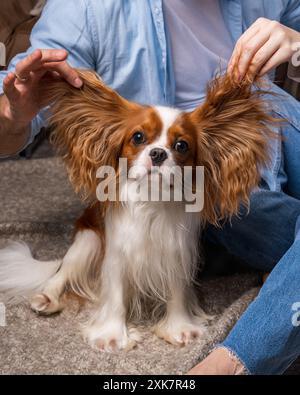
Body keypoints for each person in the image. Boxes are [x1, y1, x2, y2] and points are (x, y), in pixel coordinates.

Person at [0, 0, 300, 375]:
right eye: (142, 138)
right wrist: (13, 113)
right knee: (210, 212)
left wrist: (298, 47)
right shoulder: (84, 8)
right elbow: (11, 118)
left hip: (274, 127)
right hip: (208, 191)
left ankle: (277, 285)